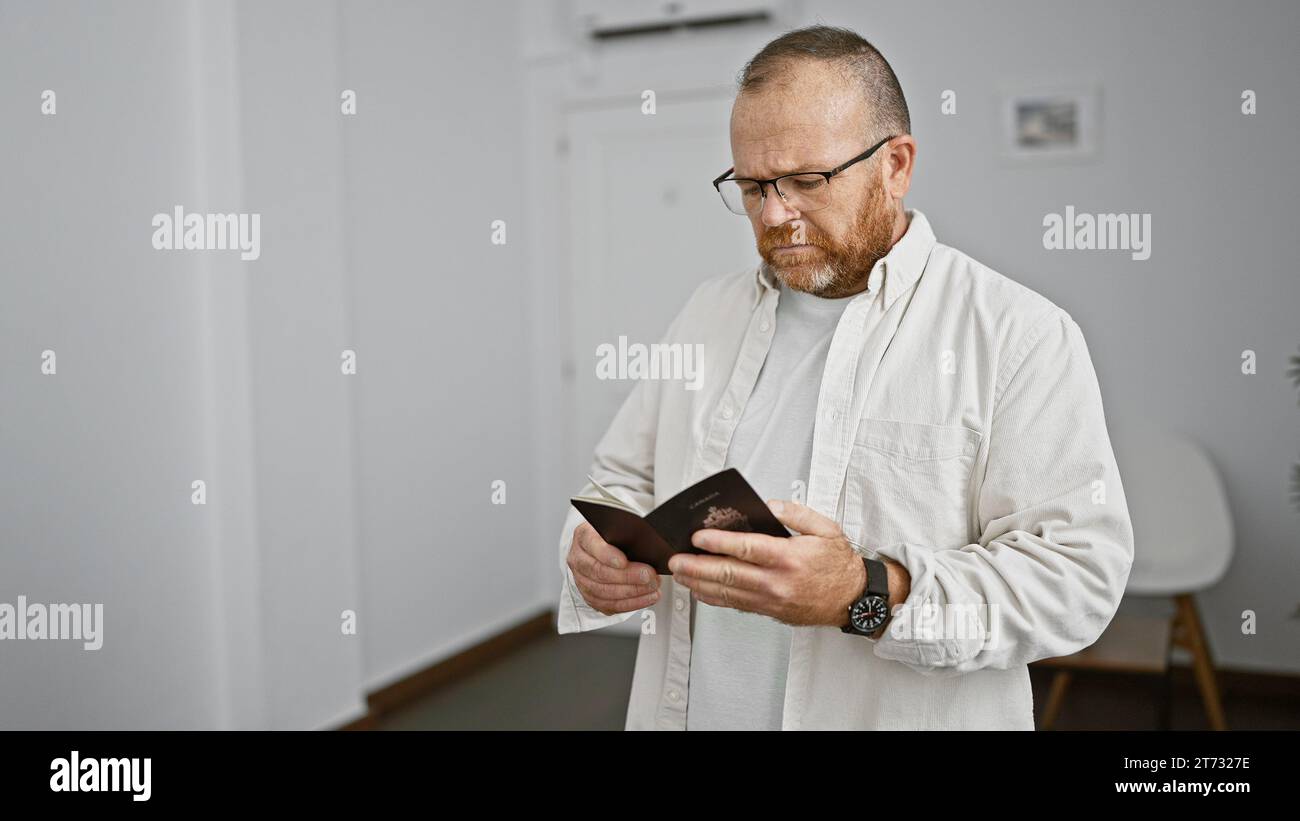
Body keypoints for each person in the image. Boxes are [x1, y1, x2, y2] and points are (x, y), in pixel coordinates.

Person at [556, 25, 1134, 730]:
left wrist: (861, 593)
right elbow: (617, 479)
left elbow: (1076, 582)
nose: (774, 215)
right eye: (751, 187)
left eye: (805, 181)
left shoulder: (1019, 336)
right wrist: (587, 554)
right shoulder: (706, 313)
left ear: (895, 165)